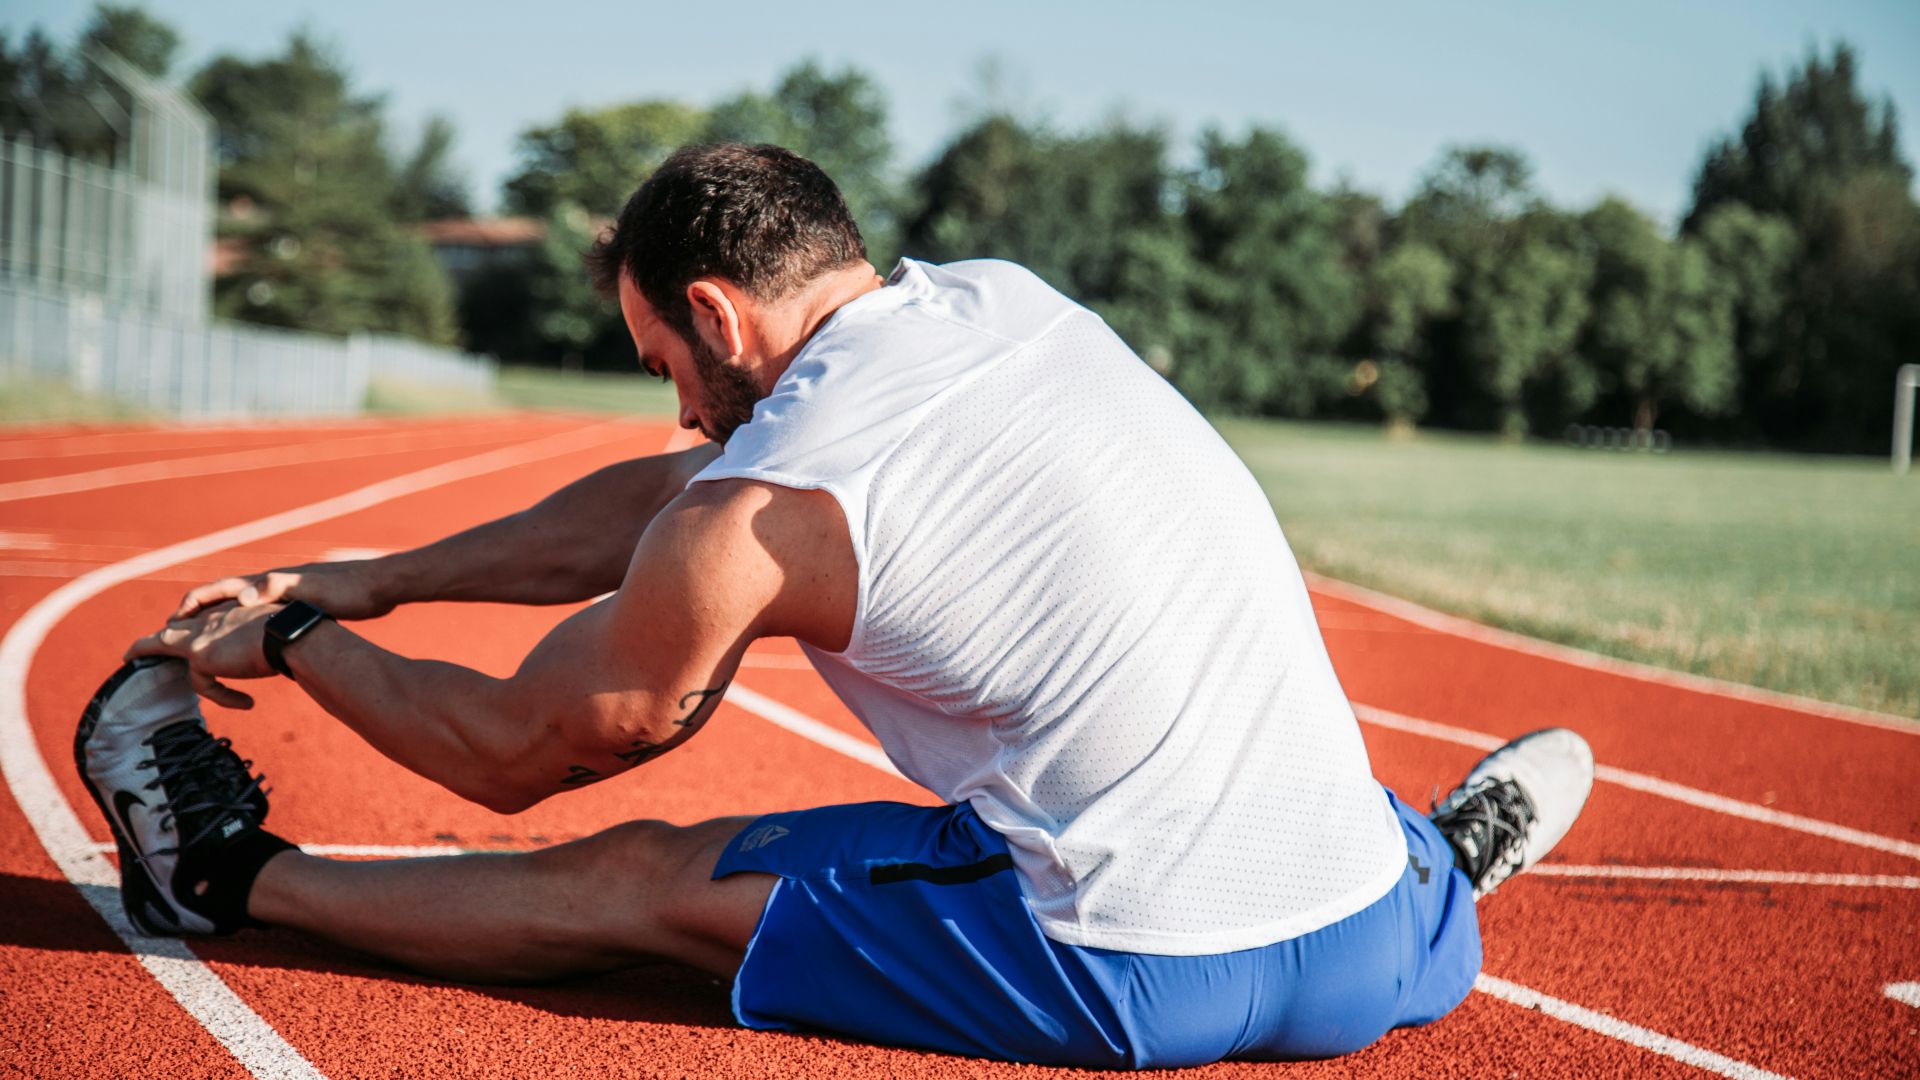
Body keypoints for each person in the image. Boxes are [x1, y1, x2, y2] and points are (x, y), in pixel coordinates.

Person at [78, 143, 1594, 1069]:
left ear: (720, 317)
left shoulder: (757, 509)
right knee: (1253, 736)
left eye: (662, 363)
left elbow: (514, 748)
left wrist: (294, 637)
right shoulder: (1001, 302)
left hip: (1128, 963)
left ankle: (223, 881)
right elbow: (679, 500)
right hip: (1367, 953)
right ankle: (1439, 867)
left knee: (633, 882)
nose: (673, 409)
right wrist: (378, 577)